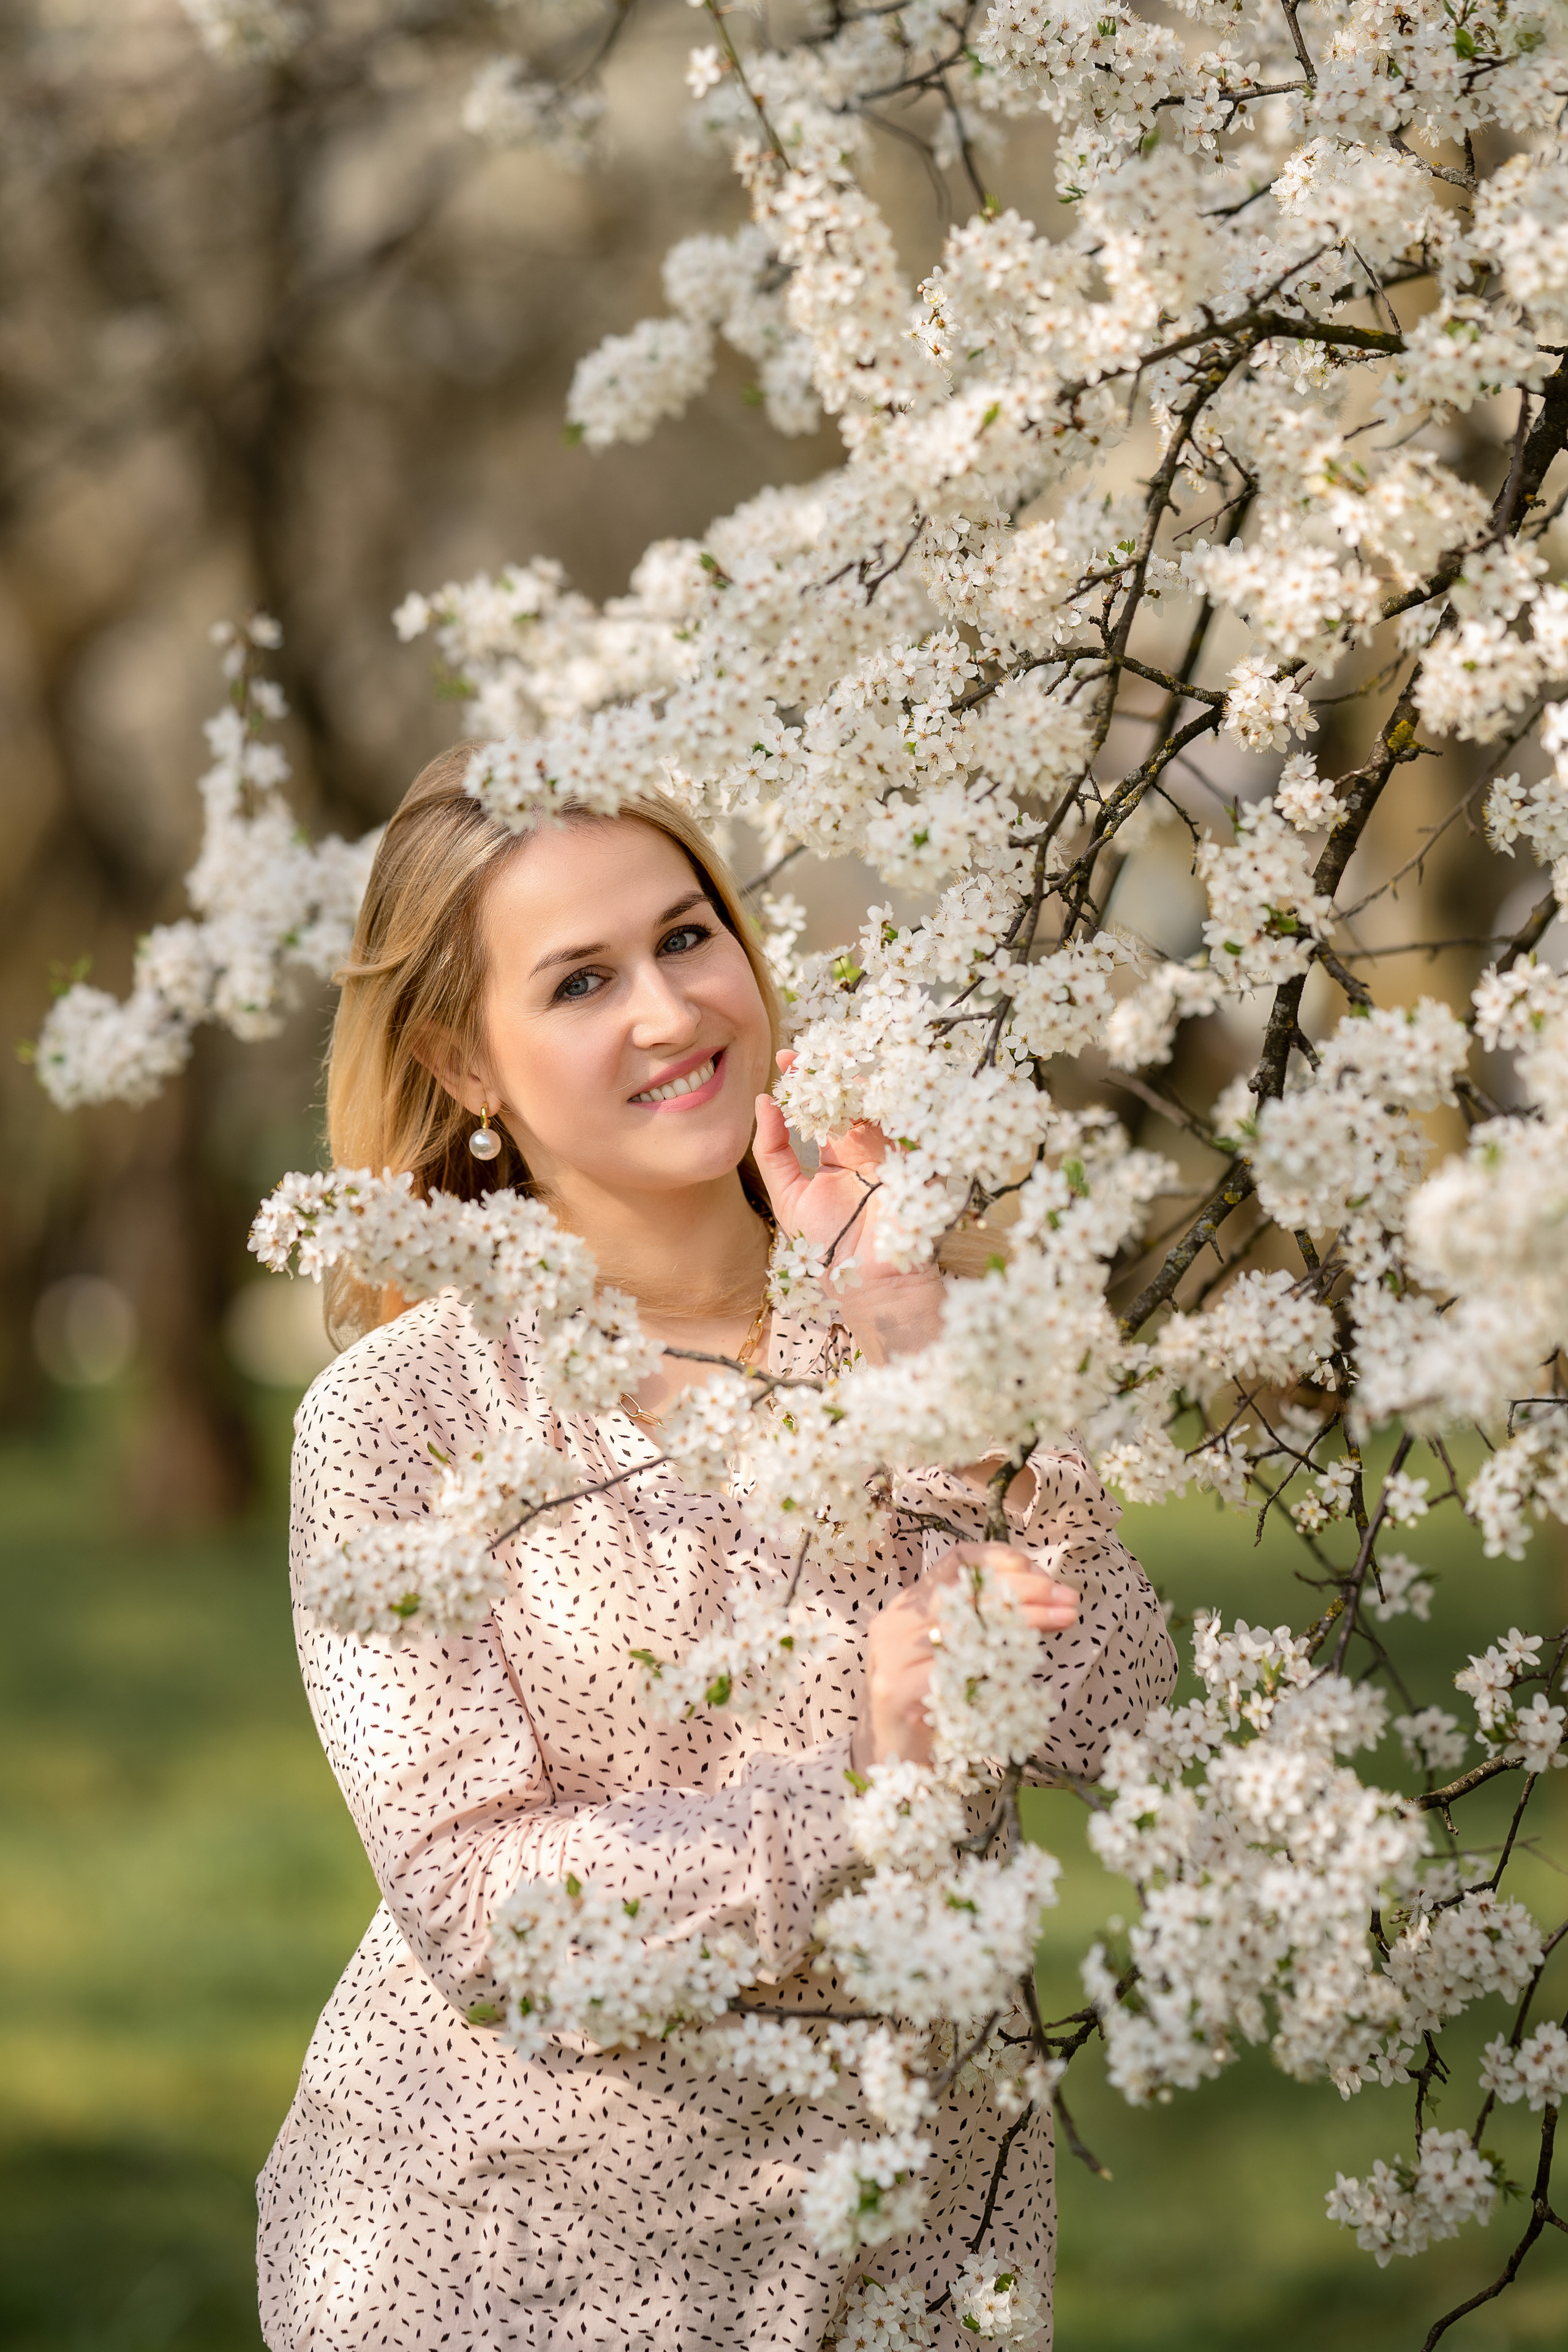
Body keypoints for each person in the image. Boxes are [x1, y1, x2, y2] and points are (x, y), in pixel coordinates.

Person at [257, 744, 1176, 2350]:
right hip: (508, 2265)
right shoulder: (402, 1418)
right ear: (462, 1063)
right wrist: (859, 1805)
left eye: (688, 939)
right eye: (581, 981)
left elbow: (1116, 1704)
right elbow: (481, 1909)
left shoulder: (918, 1320)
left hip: (909, 2258)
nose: (671, 1012)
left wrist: (920, 1348)